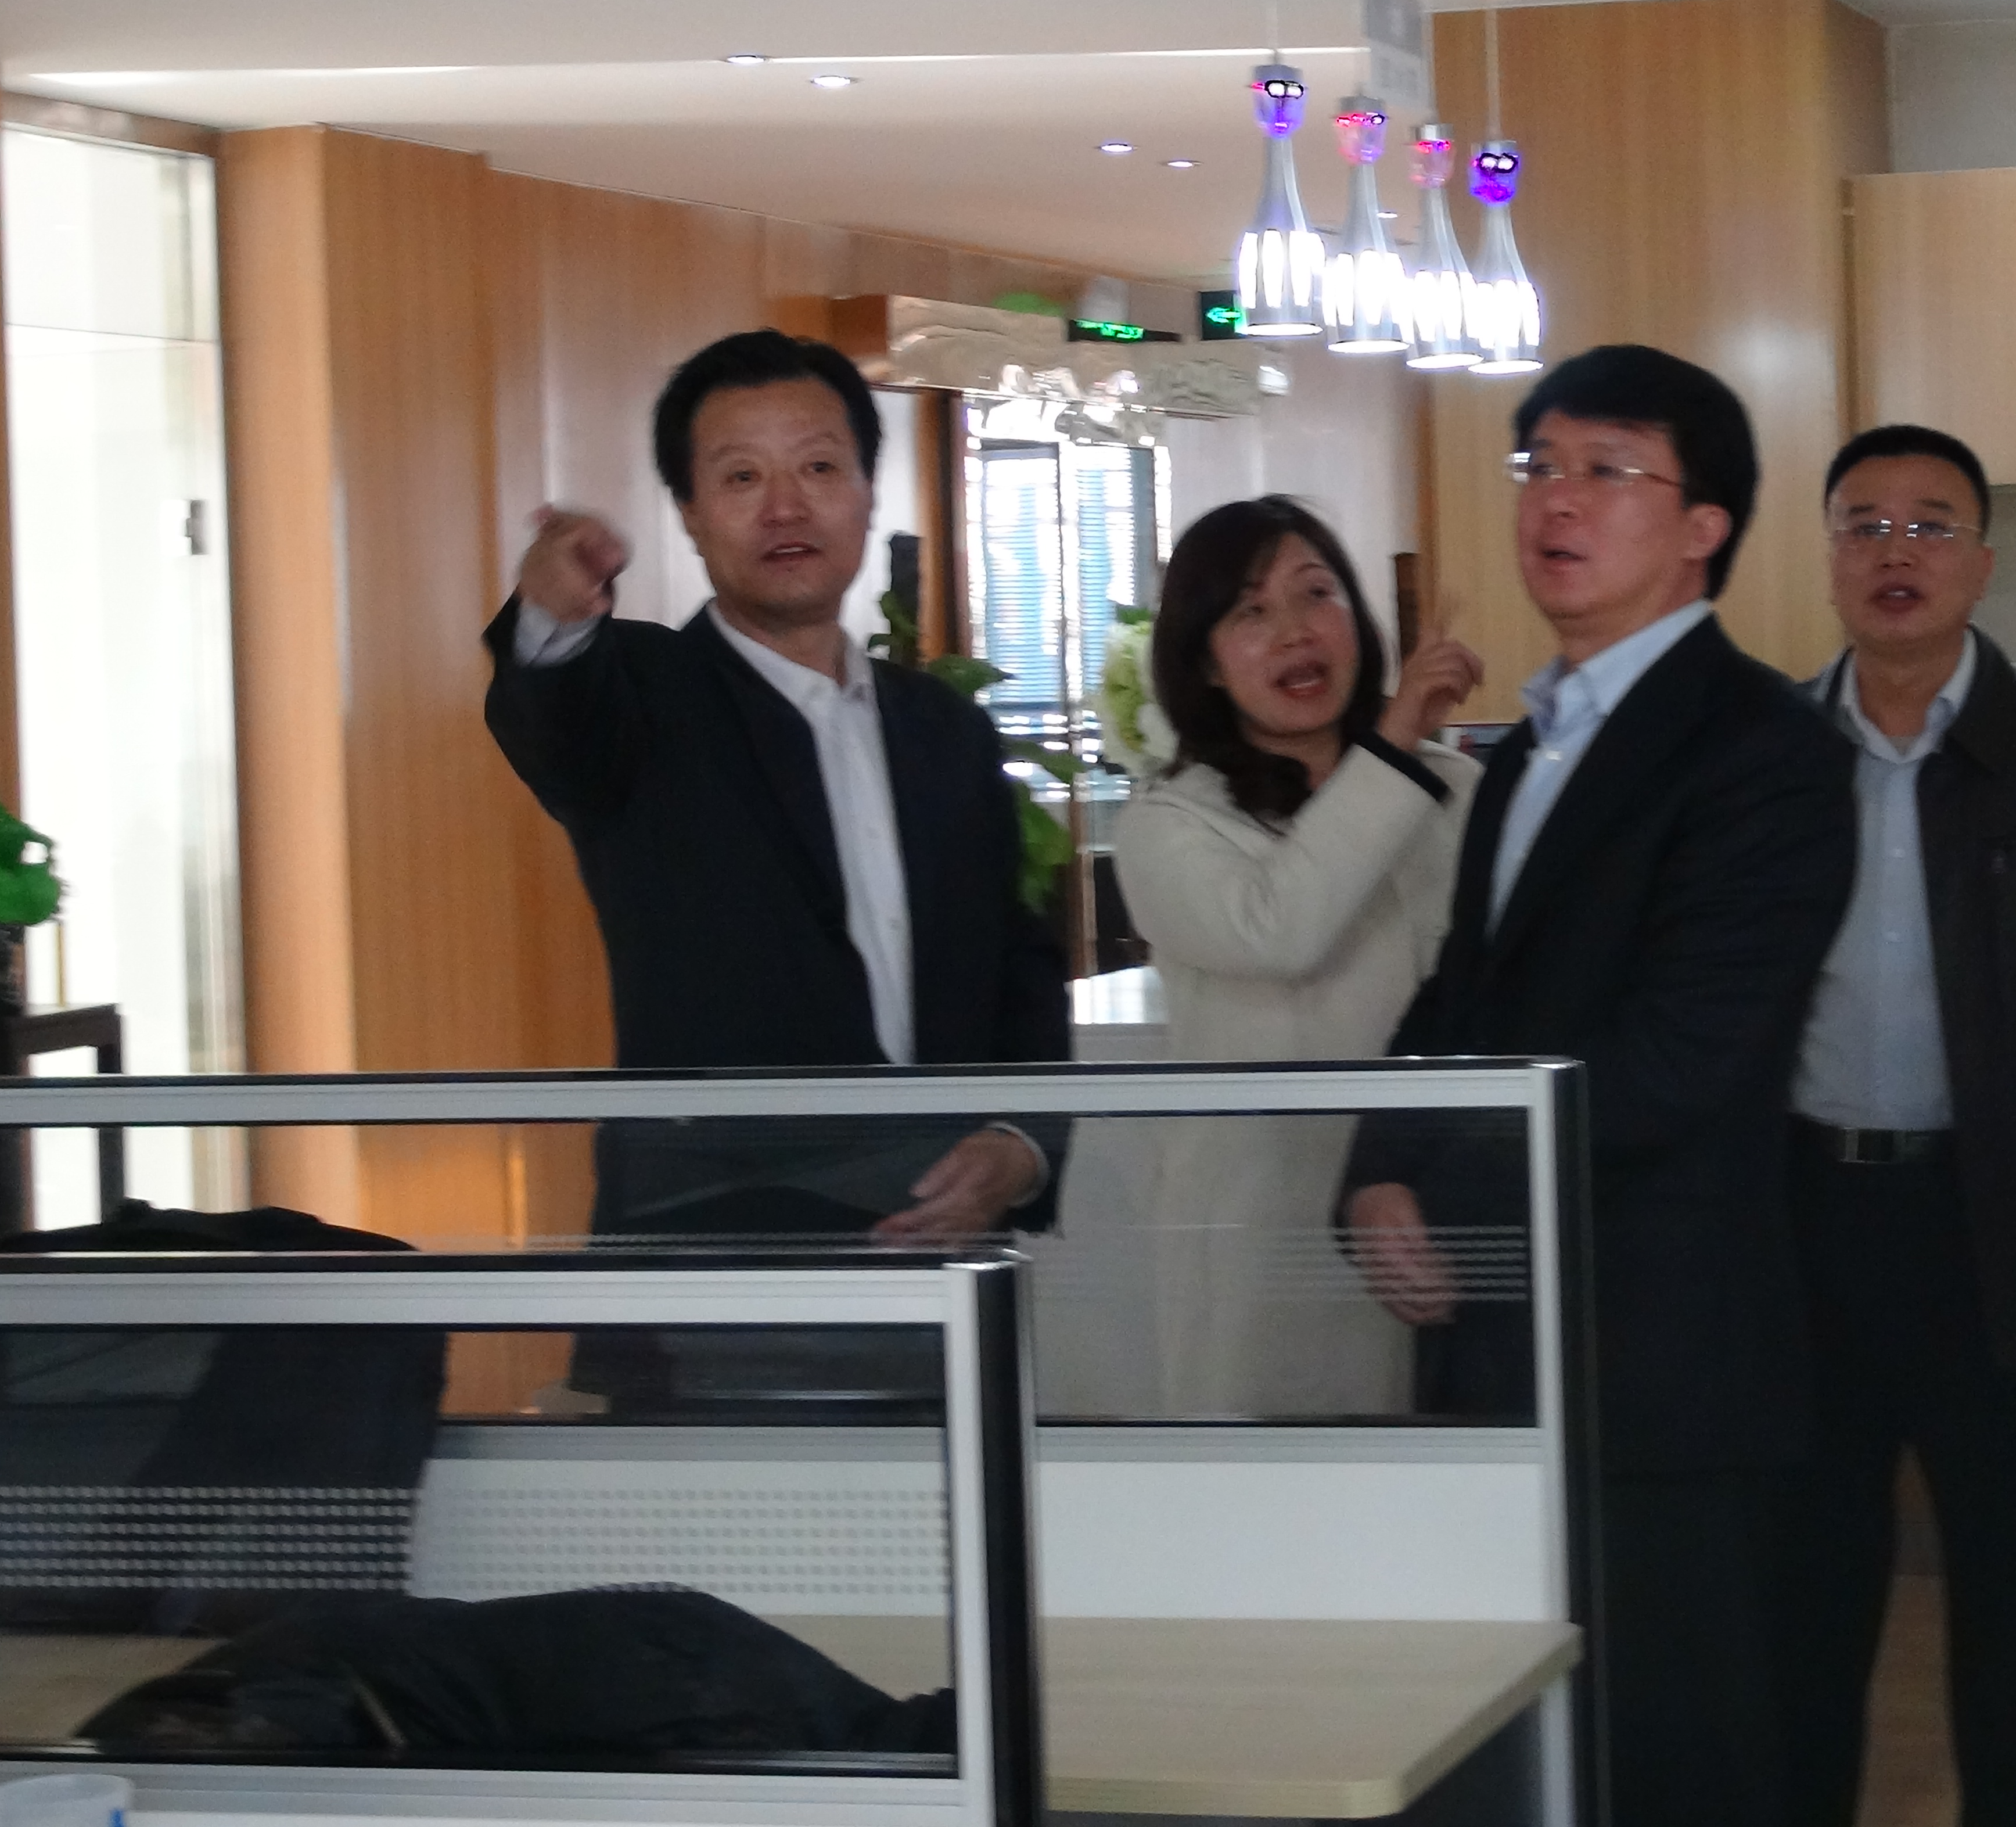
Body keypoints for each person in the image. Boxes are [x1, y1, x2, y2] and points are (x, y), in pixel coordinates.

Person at [1343, 344, 1856, 1827]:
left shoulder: (1763, 750)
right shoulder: (1528, 746)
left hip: (1659, 1366)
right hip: (1499, 1340)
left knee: (1670, 1762)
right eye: (1539, 466)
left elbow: (1683, 1059)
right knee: (1506, 1761)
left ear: (1703, 525)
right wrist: (1376, 1170)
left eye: (1604, 470)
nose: (1554, 501)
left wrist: (1445, 1180)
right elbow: (1458, 998)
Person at [483, 328, 1068, 1255]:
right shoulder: (646, 702)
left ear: (868, 492)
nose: (786, 506)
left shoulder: (944, 729)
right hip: (719, 1260)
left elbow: (1020, 969)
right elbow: (554, 714)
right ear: (689, 513)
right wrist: (551, 612)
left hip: (944, 1255)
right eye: (742, 477)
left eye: (820, 467)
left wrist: (1020, 1145)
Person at [1772, 425, 2016, 1827]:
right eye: (1863, 523)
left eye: (1931, 524)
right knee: (1800, 1591)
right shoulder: (1763, 758)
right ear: (1827, 557)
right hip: (1804, 1215)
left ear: (1981, 563)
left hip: (1995, 1224)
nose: (1896, 551)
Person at [1054, 496, 1483, 1416]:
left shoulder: (1457, 791)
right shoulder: (1172, 822)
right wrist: (1398, 738)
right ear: (1206, 663)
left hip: (1434, 1219)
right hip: (1261, 1238)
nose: (1295, 631)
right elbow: (1281, 929)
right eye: (1251, 612)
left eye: (1317, 594)